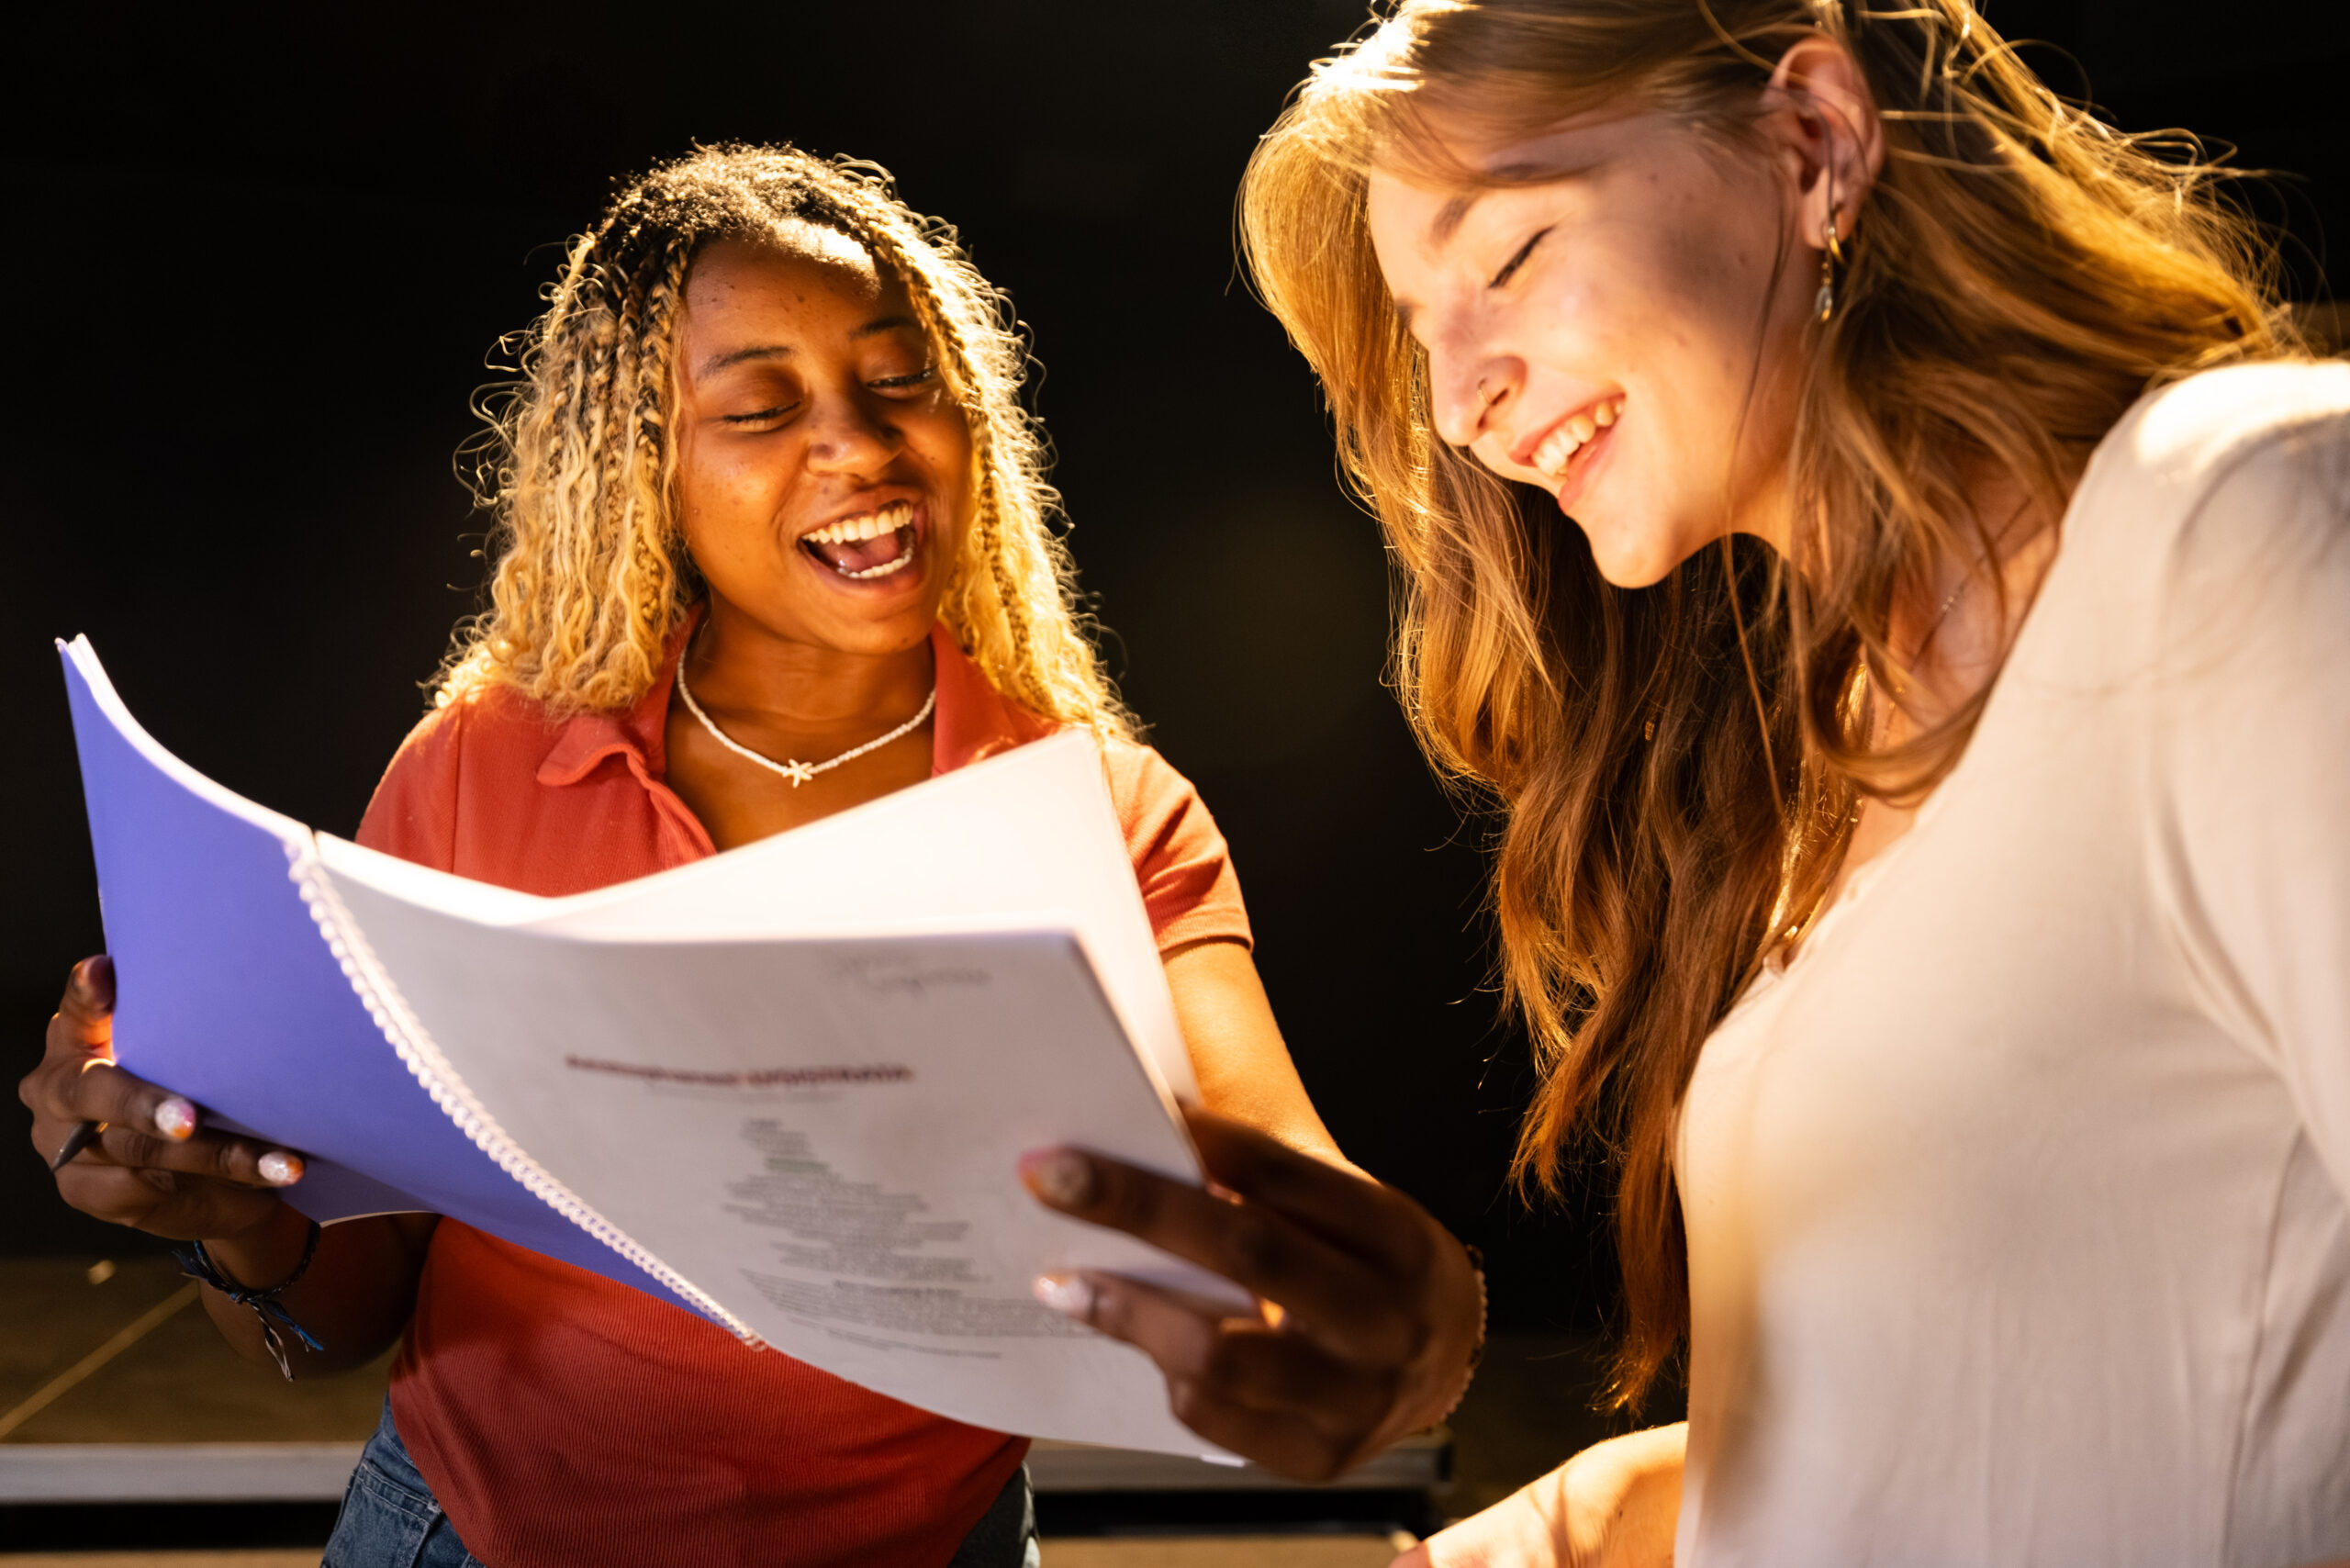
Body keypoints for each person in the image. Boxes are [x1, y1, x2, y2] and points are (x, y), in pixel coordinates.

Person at [22, 144, 1484, 1568]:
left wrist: (1376, 1321)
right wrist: (223, 1221)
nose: (855, 441)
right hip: (467, 1536)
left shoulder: (1107, 815)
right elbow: (345, 1312)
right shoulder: (480, 767)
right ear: (646, 467)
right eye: (763, 406)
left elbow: (1287, 1206)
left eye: (896, 379)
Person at [1079, 0, 2344, 1562]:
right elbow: (2039, 1405)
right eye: (1425, 335)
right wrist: (1623, 1507)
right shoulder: (1832, 754)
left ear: (1813, 141)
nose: (1464, 404)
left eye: (1509, 258)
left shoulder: (2244, 516)